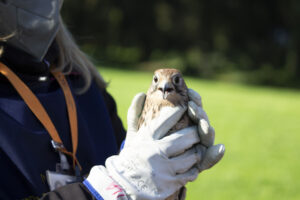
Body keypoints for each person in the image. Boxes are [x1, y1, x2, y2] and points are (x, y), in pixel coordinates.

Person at [0, 0, 225, 199]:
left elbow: (140, 178)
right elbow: (125, 181)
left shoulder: (86, 88)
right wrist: (113, 188)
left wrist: (165, 180)